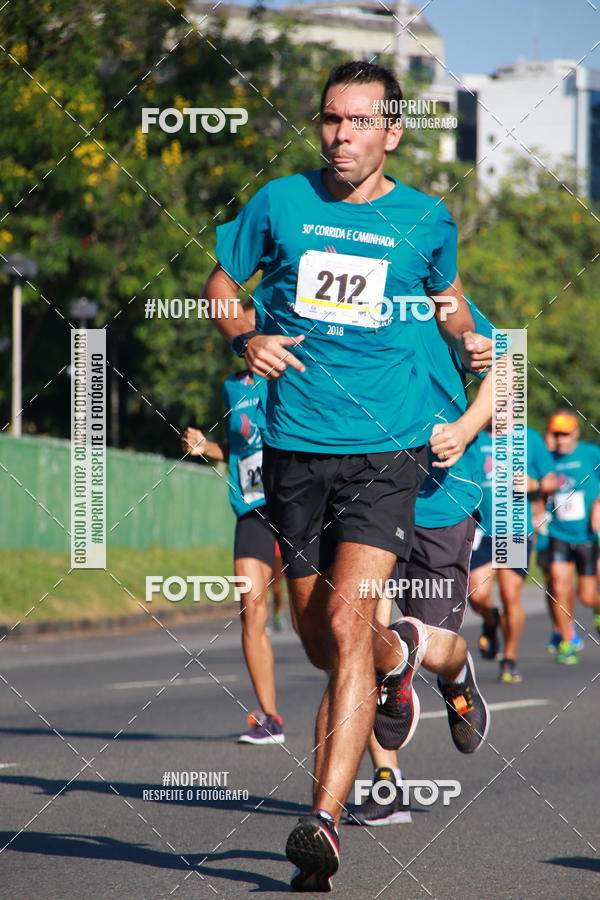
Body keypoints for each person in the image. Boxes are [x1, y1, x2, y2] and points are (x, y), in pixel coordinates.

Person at [208, 60, 490, 891]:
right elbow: (223, 283)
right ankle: (410, 661)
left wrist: (470, 342)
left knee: (351, 609)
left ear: (392, 132)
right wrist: (243, 337)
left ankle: (322, 823)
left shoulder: (424, 219)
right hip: (295, 445)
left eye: (361, 121)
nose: (342, 135)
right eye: (332, 119)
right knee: (323, 640)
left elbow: (451, 302)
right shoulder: (281, 203)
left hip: (386, 449)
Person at [349, 298, 493, 827]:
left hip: (441, 502)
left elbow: (510, 369)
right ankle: (386, 783)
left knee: (427, 644)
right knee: (359, 637)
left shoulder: (444, 302)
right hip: (363, 500)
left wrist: (467, 425)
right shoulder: (344, 293)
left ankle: (454, 676)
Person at [182, 352, 285, 745]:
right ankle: (271, 718)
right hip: (252, 506)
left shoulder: (293, 372)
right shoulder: (231, 386)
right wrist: (208, 448)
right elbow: (242, 448)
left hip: (297, 506)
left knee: (321, 619)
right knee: (251, 608)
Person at [469, 424, 557, 682]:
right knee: (476, 595)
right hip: (480, 529)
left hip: (513, 528)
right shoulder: (473, 436)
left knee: (510, 595)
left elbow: (551, 480)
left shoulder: (529, 437)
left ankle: (509, 658)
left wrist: (535, 484)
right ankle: (490, 619)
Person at [545, 410, 600, 664]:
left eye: (565, 434)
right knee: (558, 583)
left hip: (587, 536)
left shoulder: (590, 454)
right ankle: (566, 638)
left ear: (575, 433)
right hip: (558, 533)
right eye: (556, 434)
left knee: (587, 596)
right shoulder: (546, 458)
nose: (561, 439)